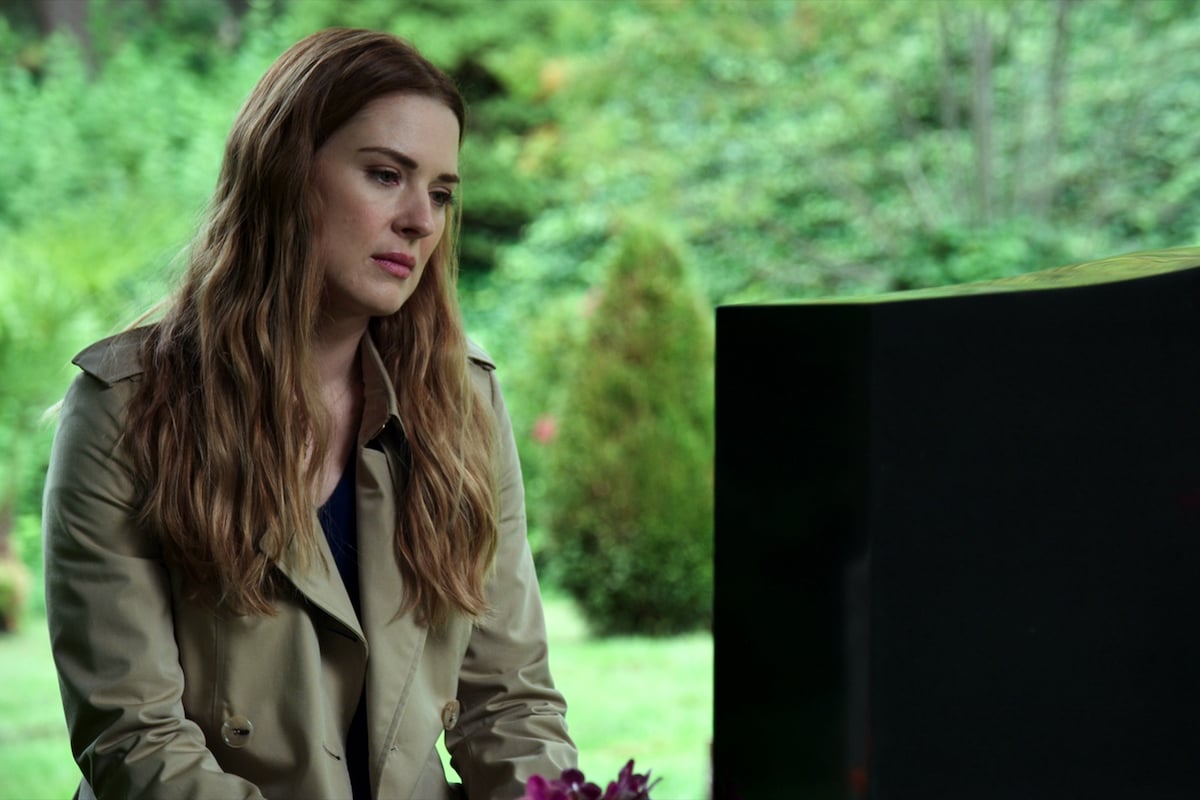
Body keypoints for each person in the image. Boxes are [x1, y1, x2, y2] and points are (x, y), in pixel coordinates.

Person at [41, 27, 577, 800]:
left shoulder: (464, 403)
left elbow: (510, 703)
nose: (421, 221)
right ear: (285, 172)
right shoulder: (127, 407)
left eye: (441, 192)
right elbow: (134, 737)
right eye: (387, 174)